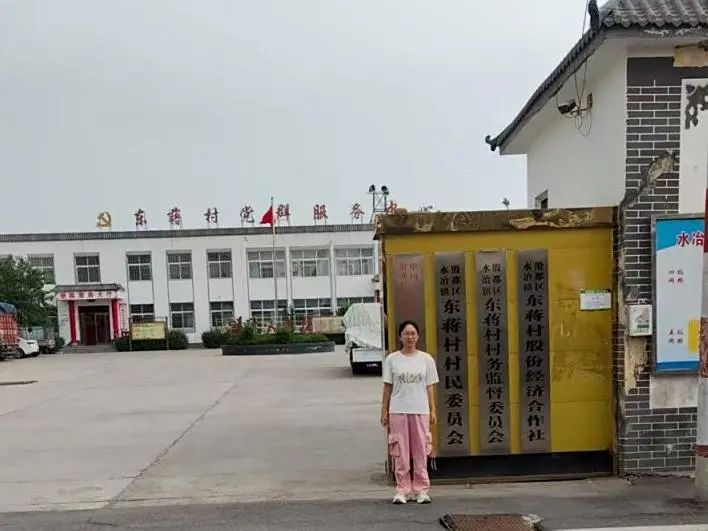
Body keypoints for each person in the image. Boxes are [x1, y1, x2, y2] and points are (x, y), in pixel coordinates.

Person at [380, 320, 439, 505]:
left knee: (421, 450)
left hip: (420, 409)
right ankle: (402, 489)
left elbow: (429, 386)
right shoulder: (392, 359)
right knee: (401, 452)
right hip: (398, 409)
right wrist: (384, 410)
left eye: (413, 333)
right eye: (406, 334)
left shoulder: (426, 359)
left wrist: (432, 409)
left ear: (418, 336)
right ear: (400, 337)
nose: (410, 337)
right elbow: (387, 386)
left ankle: (421, 490)